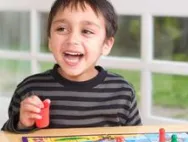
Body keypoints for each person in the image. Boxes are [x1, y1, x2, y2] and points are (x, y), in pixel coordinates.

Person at [2, 0, 142, 133]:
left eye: (87, 31)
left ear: (106, 45)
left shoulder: (122, 92)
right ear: (50, 40)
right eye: (61, 29)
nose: (72, 40)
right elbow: (7, 137)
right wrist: (21, 123)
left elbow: (139, 139)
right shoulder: (29, 89)